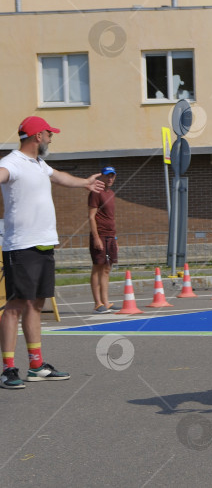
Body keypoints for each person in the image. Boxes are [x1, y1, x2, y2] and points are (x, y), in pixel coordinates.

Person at [0, 116, 105, 389]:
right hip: (21, 246)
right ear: (37, 136)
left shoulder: (39, 164)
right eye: (49, 133)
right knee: (15, 306)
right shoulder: (12, 162)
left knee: (36, 304)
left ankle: (37, 365)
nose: (51, 137)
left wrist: (85, 183)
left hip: (44, 243)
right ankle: (8, 369)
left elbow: (60, 177)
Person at [89, 166, 118, 314]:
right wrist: (96, 238)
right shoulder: (96, 193)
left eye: (112, 176)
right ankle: (97, 303)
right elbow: (91, 216)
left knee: (107, 268)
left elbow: (111, 218)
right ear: (102, 177)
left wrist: (115, 238)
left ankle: (106, 302)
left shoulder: (111, 193)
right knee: (98, 267)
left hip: (110, 235)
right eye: (107, 176)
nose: (110, 178)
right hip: (100, 235)